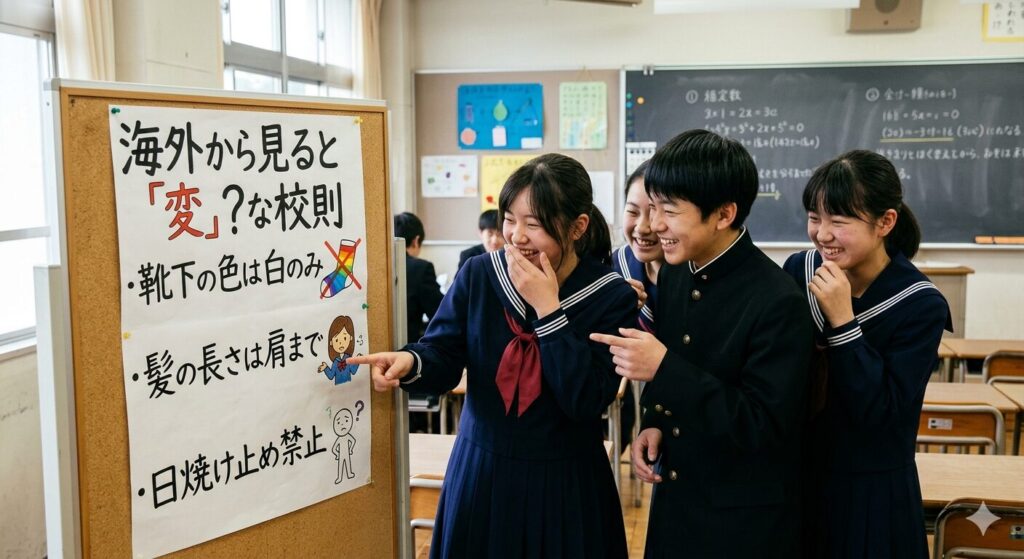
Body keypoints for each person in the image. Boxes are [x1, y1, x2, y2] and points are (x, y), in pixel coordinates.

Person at [351, 154, 635, 558]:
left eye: (534, 224)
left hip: (567, 479)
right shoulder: (480, 274)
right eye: (510, 220)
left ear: (578, 227)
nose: (516, 236)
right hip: (482, 470)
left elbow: (586, 399)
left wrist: (549, 311)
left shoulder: (612, 296)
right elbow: (443, 352)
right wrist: (412, 362)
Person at [591, 129, 813, 558]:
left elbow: (763, 425)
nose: (655, 225)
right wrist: (653, 421)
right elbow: (676, 370)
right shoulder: (677, 272)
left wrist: (663, 369)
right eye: (652, 207)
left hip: (741, 522)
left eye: (669, 211)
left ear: (724, 213)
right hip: (676, 504)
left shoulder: (778, 300)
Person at [782, 150, 951, 559]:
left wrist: (843, 322)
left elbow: (881, 412)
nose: (822, 234)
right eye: (814, 218)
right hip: (798, 480)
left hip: (872, 494)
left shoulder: (920, 304)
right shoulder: (799, 271)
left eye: (839, 221)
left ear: (885, 222)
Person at [609, 159, 663, 450]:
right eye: (632, 211)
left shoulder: (696, 274)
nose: (642, 227)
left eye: (654, 212)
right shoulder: (617, 265)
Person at [394, 212, 444, 345]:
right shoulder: (421, 268)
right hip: (408, 349)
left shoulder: (376, 266)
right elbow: (440, 313)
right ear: (416, 240)